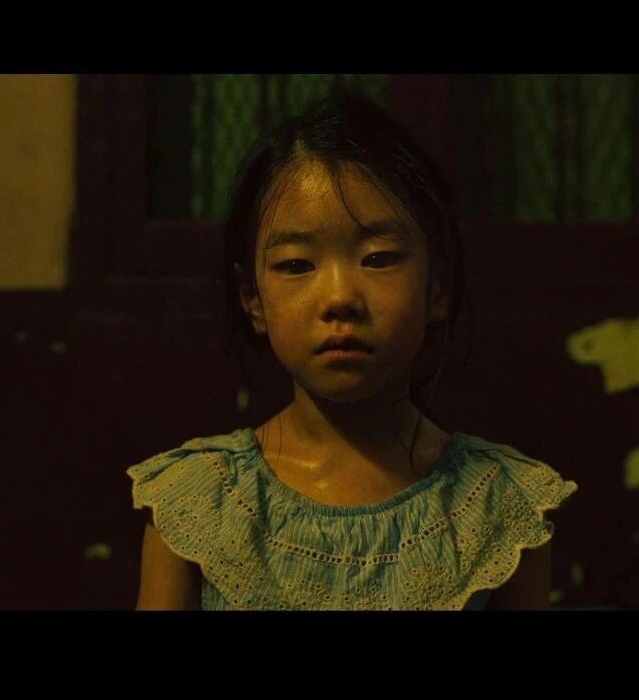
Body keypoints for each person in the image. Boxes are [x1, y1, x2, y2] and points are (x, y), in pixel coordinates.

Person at [128, 87, 576, 610]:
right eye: (296, 265)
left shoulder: (502, 508)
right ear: (252, 300)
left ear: (436, 289)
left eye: (379, 258)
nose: (340, 298)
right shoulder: (196, 504)